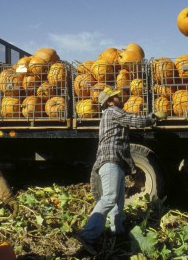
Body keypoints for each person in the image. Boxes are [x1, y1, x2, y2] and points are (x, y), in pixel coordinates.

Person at [77, 87, 166, 255]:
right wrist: (152, 117)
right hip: (110, 162)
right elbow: (132, 120)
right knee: (109, 198)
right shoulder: (112, 112)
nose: (119, 98)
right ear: (110, 101)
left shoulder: (110, 114)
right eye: (116, 96)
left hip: (115, 163)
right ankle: (87, 234)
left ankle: (117, 231)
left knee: (118, 202)